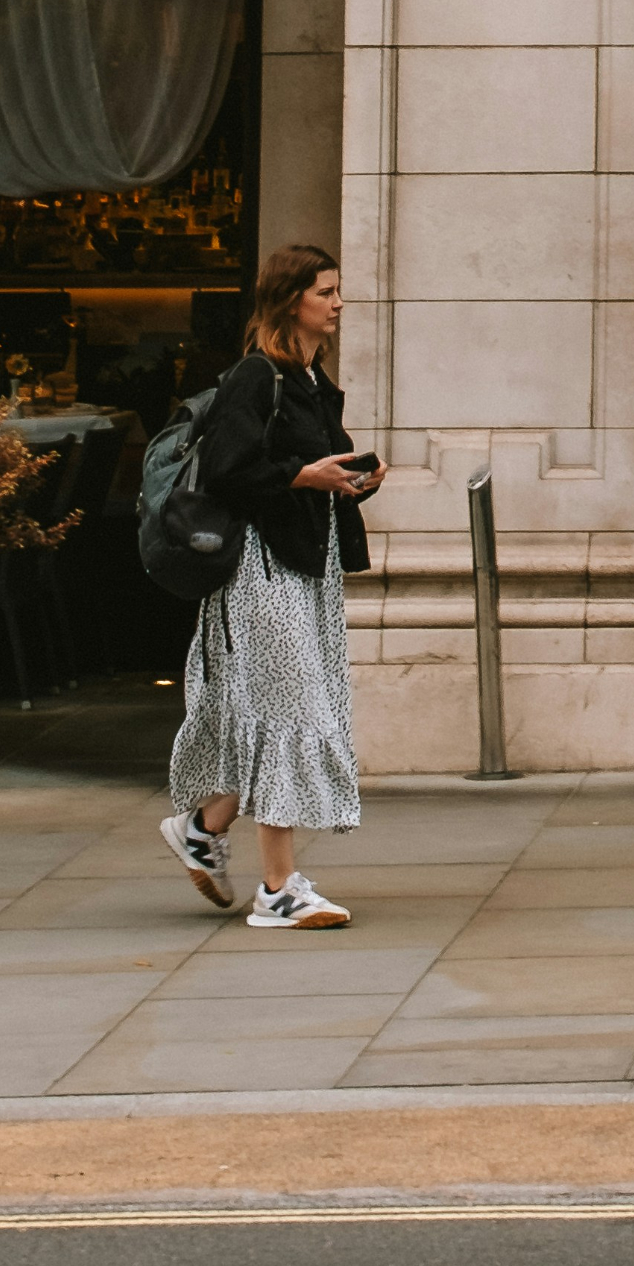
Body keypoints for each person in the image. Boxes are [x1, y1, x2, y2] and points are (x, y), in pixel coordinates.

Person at [158, 242, 383, 931]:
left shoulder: (311, 380)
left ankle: (203, 826)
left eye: (337, 290)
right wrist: (300, 477)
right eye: (326, 291)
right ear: (293, 301)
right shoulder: (258, 376)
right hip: (260, 569)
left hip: (302, 563)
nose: (337, 302)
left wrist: (347, 482)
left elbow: (309, 466)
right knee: (288, 712)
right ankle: (279, 888)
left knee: (284, 708)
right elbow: (229, 468)